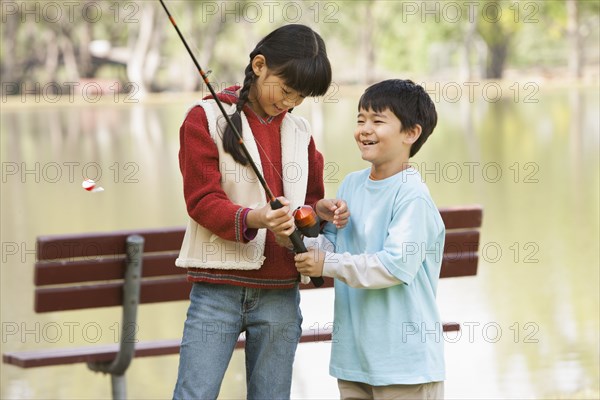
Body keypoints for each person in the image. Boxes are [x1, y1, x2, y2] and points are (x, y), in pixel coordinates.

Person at [172, 24, 349, 400]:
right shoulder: (203, 119)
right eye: (286, 90)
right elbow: (202, 201)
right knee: (194, 393)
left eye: (300, 97)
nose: (290, 103)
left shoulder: (301, 132)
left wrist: (316, 211)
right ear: (259, 65)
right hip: (216, 291)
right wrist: (256, 218)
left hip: (280, 293)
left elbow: (307, 210)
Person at [295, 79, 445, 399]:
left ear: (411, 133)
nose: (365, 129)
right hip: (354, 360)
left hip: (405, 365)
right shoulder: (350, 185)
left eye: (377, 121)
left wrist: (327, 262)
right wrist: (297, 232)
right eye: (360, 119)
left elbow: (392, 267)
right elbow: (331, 249)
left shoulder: (412, 196)